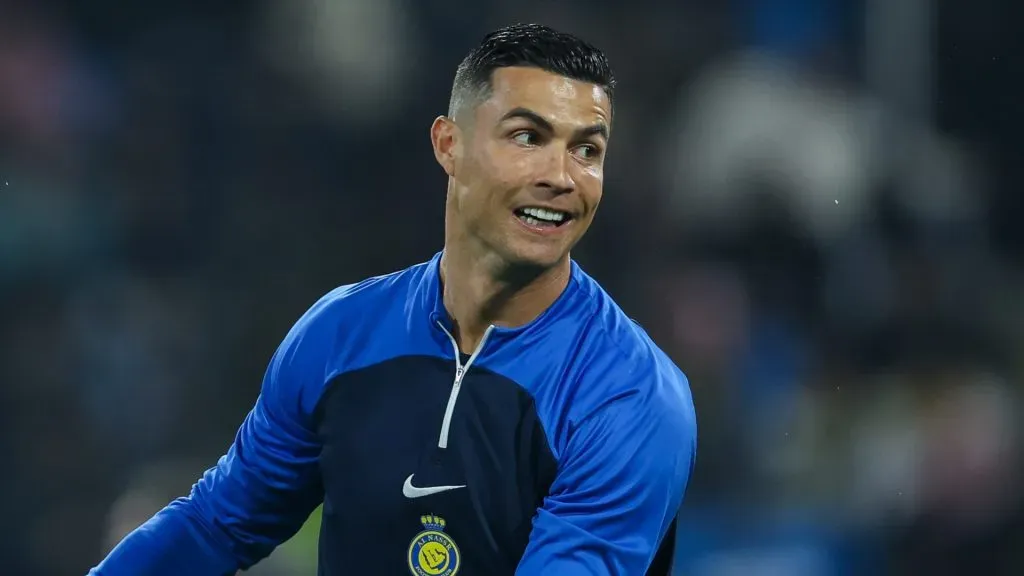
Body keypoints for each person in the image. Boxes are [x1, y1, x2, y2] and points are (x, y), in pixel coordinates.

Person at [90, 23, 697, 576]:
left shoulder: (630, 394)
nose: (561, 176)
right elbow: (214, 525)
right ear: (448, 144)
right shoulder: (340, 332)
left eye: (587, 150)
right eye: (528, 137)